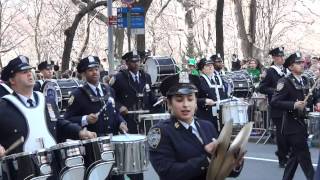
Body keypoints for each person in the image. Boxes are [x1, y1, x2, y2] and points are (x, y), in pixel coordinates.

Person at [148, 71, 244, 180]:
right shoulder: (160, 131)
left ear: (196, 102)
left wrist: (234, 163)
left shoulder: (207, 126)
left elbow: (220, 170)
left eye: (190, 99)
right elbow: (168, 172)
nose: (186, 105)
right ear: (169, 104)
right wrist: (207, 158)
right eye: (179, 100)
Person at [0, 55, 96, 158]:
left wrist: (79, 132)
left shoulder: (45, 100)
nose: (29, 74)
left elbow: (59, 124)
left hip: (53, 164)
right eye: (24, 72)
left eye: (29, 70)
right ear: (12, 80)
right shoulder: (4, 106)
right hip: (23, 170)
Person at [110, 51, 159, 180]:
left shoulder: (146, 77)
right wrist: (119, 106)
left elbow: (151, 97)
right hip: (127, 121)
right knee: (131, 155)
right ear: (127, 63)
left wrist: (161, 99)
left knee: (144, 152)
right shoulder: (119, 78)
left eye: (138, 61)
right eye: (133, 61)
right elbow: (110, 98)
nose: (137, 64)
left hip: (143, 121)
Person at [271, 52, 317, 180]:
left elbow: (313, 96)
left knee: (294, 157)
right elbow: (275, 102)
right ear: (291, 67)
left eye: (302, 62)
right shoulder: (285, 82)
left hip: (302, 124)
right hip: (291, 125)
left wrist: (317, 101)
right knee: (304, 156)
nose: (302, 65)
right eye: (298, 63)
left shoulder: (305, 80)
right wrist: (293, 104)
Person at [64, 55, 128, 136]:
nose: (95, 72)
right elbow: (67, 120)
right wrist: (85, 119)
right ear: (84, 74)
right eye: (90, 70)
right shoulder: (78, 94)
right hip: (93, 141)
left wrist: (121, 122)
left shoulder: (109, 90)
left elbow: (115, 112)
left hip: (113, 138)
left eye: (96, 69)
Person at [258, 47, 289, 168]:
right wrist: (275, 91)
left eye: (283, 56)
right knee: (281, 133)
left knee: (287, 133)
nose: (282, 58)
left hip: (287, 106)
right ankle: (282, 158)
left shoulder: (286, 70)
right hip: (276, 106)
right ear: (274, 58)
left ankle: (283, 152)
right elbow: (262, 87)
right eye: (280, 56)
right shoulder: (271, 71)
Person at [196, 58, 219, 130]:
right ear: (202, 69)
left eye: (211, 65)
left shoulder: (219, 79)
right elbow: (193, 100)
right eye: (207, 65)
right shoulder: (198, 81)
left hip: (219, 114)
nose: (210, 67)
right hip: (206, 115)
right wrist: (204, 100)